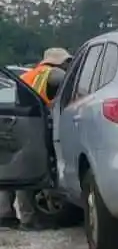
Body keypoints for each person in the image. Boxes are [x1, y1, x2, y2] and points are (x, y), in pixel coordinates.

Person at [0, 48, 72, 229]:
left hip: (17, 123)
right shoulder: (55, 74)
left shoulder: (26, 76)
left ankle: (5, 214)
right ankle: (29, 219)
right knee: (29, 171)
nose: (67, 65)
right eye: (66, 62)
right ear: (58, 62)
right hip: (39, 126)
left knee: (13, 169)